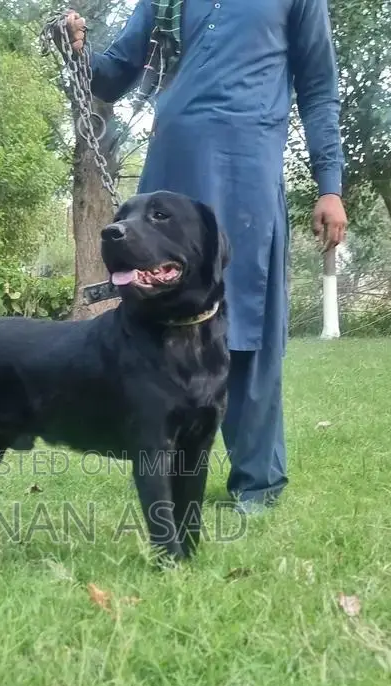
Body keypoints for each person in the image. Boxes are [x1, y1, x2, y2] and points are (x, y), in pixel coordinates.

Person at [63, 0, 347, 513]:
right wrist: (79, 51)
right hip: (169, 173)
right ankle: (164, 466)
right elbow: (112, 77)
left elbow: (320, 88)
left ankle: (257, 483)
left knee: (247, 319)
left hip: (246, 168)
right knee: (154, 317)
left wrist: (331, 186)